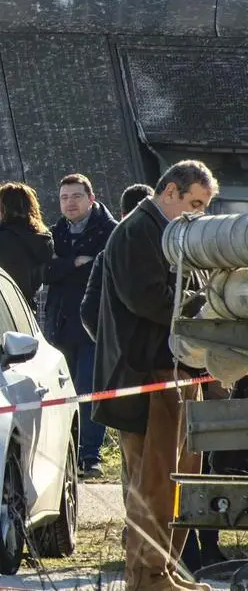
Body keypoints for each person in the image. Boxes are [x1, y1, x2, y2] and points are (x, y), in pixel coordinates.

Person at [95, 160, 217, 591]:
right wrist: (206, 308)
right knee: (152, 483)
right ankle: (145, 576)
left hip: (174, 371)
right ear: (169, 192)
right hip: (146, 375)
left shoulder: (169, 231)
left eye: (204, 206)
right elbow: (146, 298)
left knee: (177, 481)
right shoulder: (136, 230)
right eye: (195, 202)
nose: (199, 213)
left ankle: (164, 570)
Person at [43, 173, 117, 478]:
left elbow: (106, 273)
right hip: (60, 324)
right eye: (64, 197)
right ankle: (64, 455)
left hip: (95, 324)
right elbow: (44, 271)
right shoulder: (53, 233)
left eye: (76, 196)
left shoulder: (110, 231)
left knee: (89, 390)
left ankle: (90, 455)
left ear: (91, 198)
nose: (69, 203)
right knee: (61, 394)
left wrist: (66, 268)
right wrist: (73, 263)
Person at [81, 184, 154, 343]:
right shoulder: (169, 253)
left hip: (121, 352)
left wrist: (110, 345)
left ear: (122, 215)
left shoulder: (107, 255)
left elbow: (89, 312)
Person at [0, 182, 53, 308]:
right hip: (26, 308)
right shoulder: (44, 239)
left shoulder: (3, 239)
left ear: (5, 208)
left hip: (2, 306)